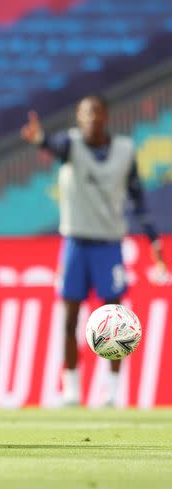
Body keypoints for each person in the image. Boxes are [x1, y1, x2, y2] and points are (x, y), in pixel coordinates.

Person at [20, 94, 167, 407]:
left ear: (106, 116)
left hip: (108, 244)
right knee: (68, 318)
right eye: (85, 114)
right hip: (75, 242)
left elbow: (138, 200)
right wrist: (40, 140)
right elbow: (54, 145)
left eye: (96, 113)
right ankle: (71, 390)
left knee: (114, 318)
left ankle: (112, 391)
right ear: (78, 116)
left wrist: (153, 241)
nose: (90, 119)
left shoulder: (125, 151)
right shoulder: (71, 146)